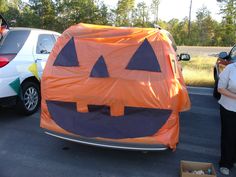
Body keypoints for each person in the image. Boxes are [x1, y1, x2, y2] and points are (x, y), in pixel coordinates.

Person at [218, 62, 236, 175]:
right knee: (229, 136)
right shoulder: (230, 68)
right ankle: (225, 163)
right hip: (229, 107)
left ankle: (234, 159)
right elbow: (220, 88)